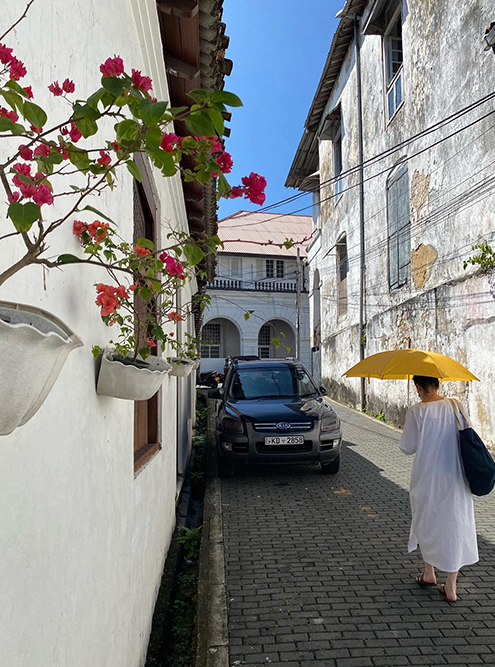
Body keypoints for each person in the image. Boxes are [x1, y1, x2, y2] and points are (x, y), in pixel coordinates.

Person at [399, 375, 478, 602]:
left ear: (419, 387)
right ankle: (451, 586)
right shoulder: (455, 405)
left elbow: (407, 447)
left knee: (427, 521)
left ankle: (429, 572)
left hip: (427, 477)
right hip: (456, 476)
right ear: (437, 384)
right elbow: (469, 434)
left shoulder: (416, 411)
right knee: (455, 524)